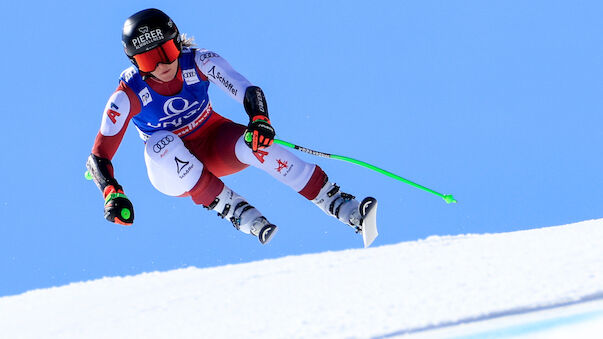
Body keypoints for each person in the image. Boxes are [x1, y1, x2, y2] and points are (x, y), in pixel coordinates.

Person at [86, 8, 376, 244]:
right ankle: (233, 209)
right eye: (149, 59)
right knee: (160, 142)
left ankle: (342, 206)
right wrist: (112, 192)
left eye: (167, 51)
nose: (162, 65)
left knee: (257, 145)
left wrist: (259, 121)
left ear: (177, 42)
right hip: (170, 170)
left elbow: (248, 90)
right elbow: (98, 156)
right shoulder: (128, 94)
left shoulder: (199, 62)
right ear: (135, 63)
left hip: (214, 143)